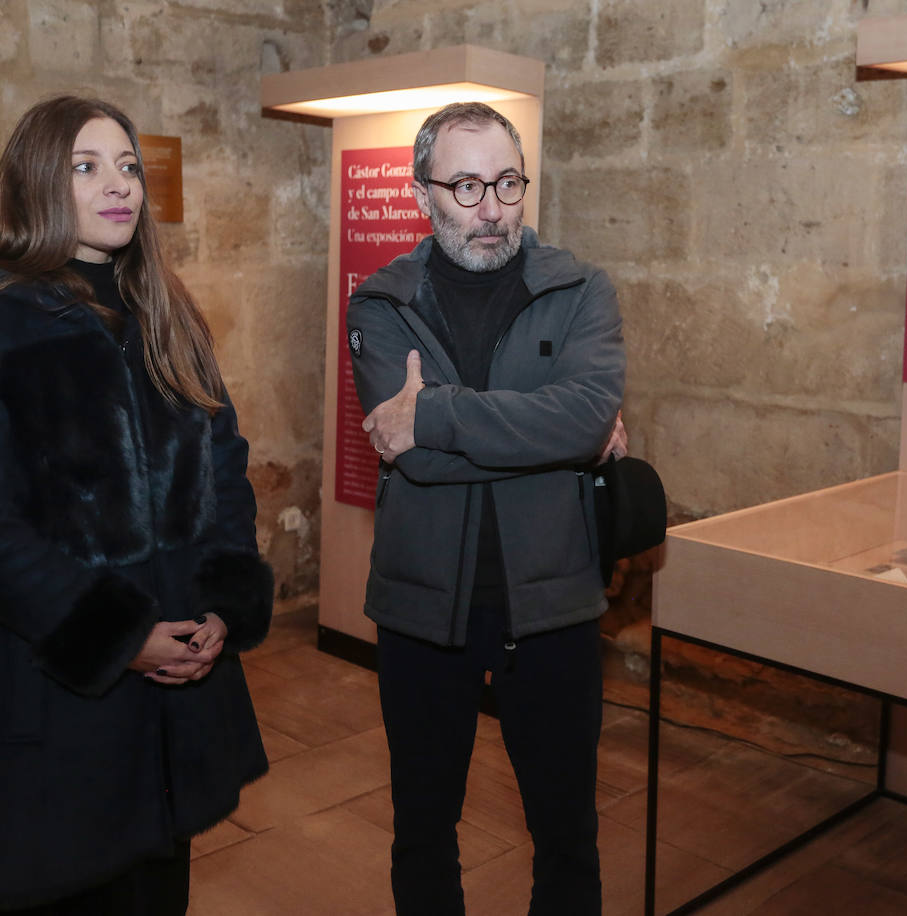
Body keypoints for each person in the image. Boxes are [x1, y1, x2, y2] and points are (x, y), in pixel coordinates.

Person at [0, 95, 273, 915]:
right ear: (37, 179)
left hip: (174, 679)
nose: (121, 186)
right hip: (56, 685)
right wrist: (116, 635)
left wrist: (221, 596)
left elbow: (225, 459)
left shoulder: (163, 308)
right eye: (87, 165)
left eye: (129, 166)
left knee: (154, 888)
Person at [348, 101, 627, 915]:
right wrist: (553, 436)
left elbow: (577, 418)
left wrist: (431, 414)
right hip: (422, 608)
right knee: (424, 832)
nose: (492, 208)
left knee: (568, 834)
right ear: (421, 193)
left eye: (507, 182)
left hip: (552, 603)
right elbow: (421, 467)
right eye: (465, 186)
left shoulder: (581, 289)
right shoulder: (380, 302)